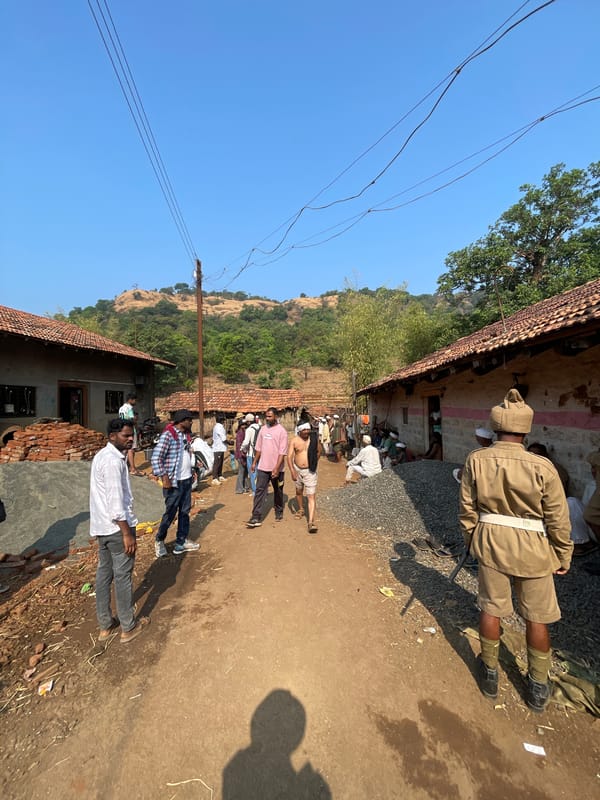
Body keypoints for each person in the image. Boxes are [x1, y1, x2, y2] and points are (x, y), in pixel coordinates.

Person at [459, 389, 572, 712]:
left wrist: (473, 540)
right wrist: (563, 554)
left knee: (491, 608)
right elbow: (558, 519)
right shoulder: (543, 467)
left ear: (495, 426)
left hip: (491, 543)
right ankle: (537, 685)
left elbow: (467, 510)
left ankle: (490, 674)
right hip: (534, 549)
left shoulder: (476, 460)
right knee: (537, 618)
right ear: (526, 429)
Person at [89, 418, 149, 643]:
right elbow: (116, 504)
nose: (131, 439)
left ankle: (105, 625)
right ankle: (128, 626)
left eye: (132, 435)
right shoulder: (114, 462)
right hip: (116, 529)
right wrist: (126, 533)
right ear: (112, 436)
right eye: (126, 435)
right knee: (122, 576)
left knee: (104, 573)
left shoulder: (101, 456)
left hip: (102, 527)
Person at [151, 409, 199, 557]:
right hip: (173, 483)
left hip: (185, 480)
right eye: (189, 420)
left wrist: (192, 470)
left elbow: (185, 454)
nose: (191, 422)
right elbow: (156, 458)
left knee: (184, 512)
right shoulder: (168, 435)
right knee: (170, 514)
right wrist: (164, 477)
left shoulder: (185, 436)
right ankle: (159, 540)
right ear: (182, 421)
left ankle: (181, 542)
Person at [246, 407, 288, 528]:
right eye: (266, 416)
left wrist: (276, 468)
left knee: (278, 491)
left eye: (270, 416)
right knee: (259, 491)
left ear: (276, 416)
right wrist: (254, 462)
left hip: (277, 469)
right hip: (263, 467)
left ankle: (279, 511)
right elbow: (258, 448)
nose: (267, 418)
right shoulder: (263, 430)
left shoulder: (282, 432)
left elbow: (282, 452)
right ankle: (256, 516)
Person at [287, 422, 321, 533]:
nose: (306, 432)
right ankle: (301, 509)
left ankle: (311, 522)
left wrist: (313, 462)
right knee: (299, 491)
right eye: (304, 430)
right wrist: (292, 470)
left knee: (311, 496)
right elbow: (289, 456)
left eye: (308, 429)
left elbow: (319, 451)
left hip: (310, 471)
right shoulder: (294, 441)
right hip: (297, 470)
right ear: (299, 431)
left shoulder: (314, 439)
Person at [118, 392, 139, 475]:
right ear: (130, 400)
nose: (135, 402)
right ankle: (132, 468)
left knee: (124, 448)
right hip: (130, 430)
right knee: (131, 449)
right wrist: (135, 422)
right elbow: (132, 420)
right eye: (135, 400)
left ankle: (124, 466)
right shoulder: (129, 408)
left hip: (123, 429)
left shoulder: (121, 408)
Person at [241, 413, 261, 494]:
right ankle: (263, 490)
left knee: (252, 472)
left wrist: (242, 449)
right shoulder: (261, 427)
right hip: (261, 453)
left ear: (248, 422)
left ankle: (255, 491)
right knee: (261, 472)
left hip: (251, 454)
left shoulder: (249, 430)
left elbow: (246, 442)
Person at [211, 413, 228, 485]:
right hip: (218, 447)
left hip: (220, 447)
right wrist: (229, 442)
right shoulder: (218, 427)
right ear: (221, 420)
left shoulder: (219, 426)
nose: (224, 421)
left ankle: (220, 475)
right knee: (217, 463)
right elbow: (223, 438)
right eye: (223, 420)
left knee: (220, 462)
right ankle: (214, 478)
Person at [234, 417, 250, 494]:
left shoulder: (244, 432)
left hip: (244, 454)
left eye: (245, 425)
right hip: (241, 455)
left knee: (245, 472)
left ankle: (246, 487)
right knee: (241, 472)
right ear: (240, 426)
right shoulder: (240, 433)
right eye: (243, 425)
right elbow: (239, 446)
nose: (244, 426)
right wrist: (242, 455)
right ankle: (239, 489)